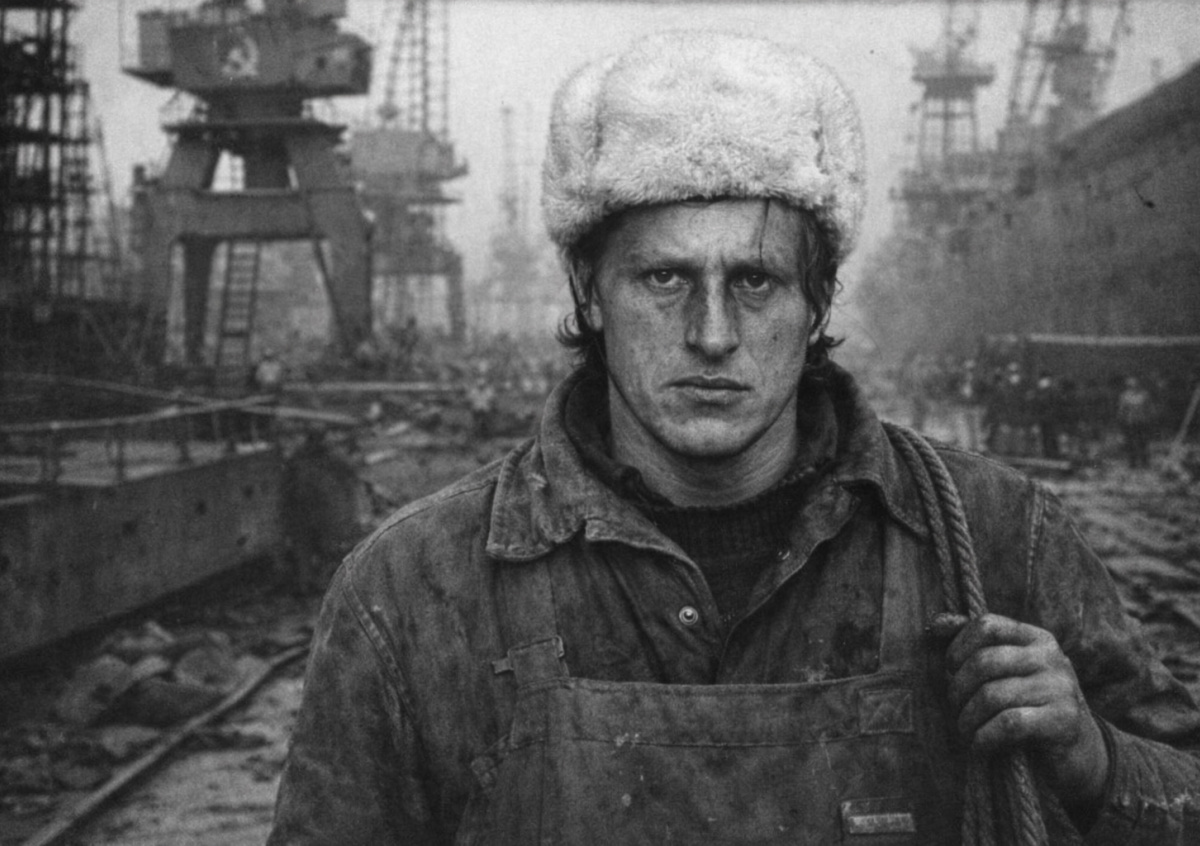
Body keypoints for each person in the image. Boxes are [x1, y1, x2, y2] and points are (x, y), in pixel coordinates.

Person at [269, 31, 1200, 844]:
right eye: (664, 280)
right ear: (589, 291)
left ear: (818, 301)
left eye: (754, 282)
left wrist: (1095, 761)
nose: (712, 335)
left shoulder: (998, 539)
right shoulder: (413, 589)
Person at [1116, 375, 1156, 469]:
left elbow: (1150, 408)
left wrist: (1151, 418)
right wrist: (1121, 420)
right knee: (1130, 442)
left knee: (1143, 442)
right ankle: (1132, 462)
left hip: (1142, 421)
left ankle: (1145, 462)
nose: (1134, 387)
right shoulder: (1124, 396)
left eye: (1135, 385)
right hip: (1130, 422)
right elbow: (1121, 410)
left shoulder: (1144, 395)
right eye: (1131, 385)